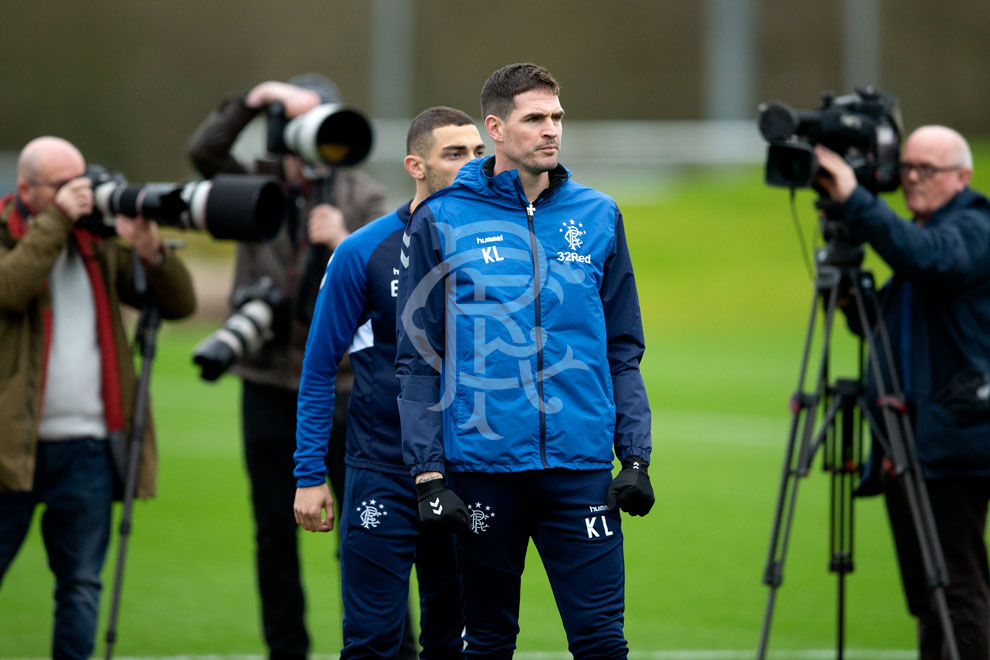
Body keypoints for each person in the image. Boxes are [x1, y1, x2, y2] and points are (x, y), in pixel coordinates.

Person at [395, 63, 656, 659]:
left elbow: (623, 350)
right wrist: (429, 474)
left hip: (581, 470)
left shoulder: (599, 215)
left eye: (557, 117)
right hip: (483, 469)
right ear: (495, 128)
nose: (551, 130)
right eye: (534, 118)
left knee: (601, 641)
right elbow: (418, 360)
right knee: (486, 640)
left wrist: (635, 455)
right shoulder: (441, 218)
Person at [186, 76, 386, 659]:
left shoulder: (361, 195)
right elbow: (203, 155)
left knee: (368, 529)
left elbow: (395, 275)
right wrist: (251, 100)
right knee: (274, 532)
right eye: (303, 123)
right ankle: (286, 651)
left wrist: (344, 239)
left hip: (351, 387)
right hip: (271, 382)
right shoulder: (256, 184)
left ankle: (391, 648)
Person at [294, 105, 486, 659]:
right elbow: (318, 368)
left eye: (478, 152)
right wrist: (309, 474)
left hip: (471, 469)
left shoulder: (503, 248)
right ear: (416, 165)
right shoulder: (364, 250)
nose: (472, 164)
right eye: (454, 153)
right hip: (382, 466)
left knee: (459, 641)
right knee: (373, 642)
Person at [0, 136, 196, 658]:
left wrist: (149, 247)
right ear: (25, 189)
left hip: (87, 447)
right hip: (9, 448)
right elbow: (10, 288)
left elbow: (179, 304)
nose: (80, 195)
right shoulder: (7, 234)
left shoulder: (99, 243)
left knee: (81, 586)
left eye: (82, 181)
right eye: (64, 186)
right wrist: (58, 221)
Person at [815, 127, 990, 660]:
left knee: (956, 585)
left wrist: (856, 197)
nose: (912, 178)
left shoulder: (973, 227)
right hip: (907, 439)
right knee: (928, 596)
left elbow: (930, 258)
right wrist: (846, 294)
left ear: (963, 176)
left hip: (952, 441)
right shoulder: (922, 236)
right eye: (907, 167)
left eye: (927, 170)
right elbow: (884, 329)